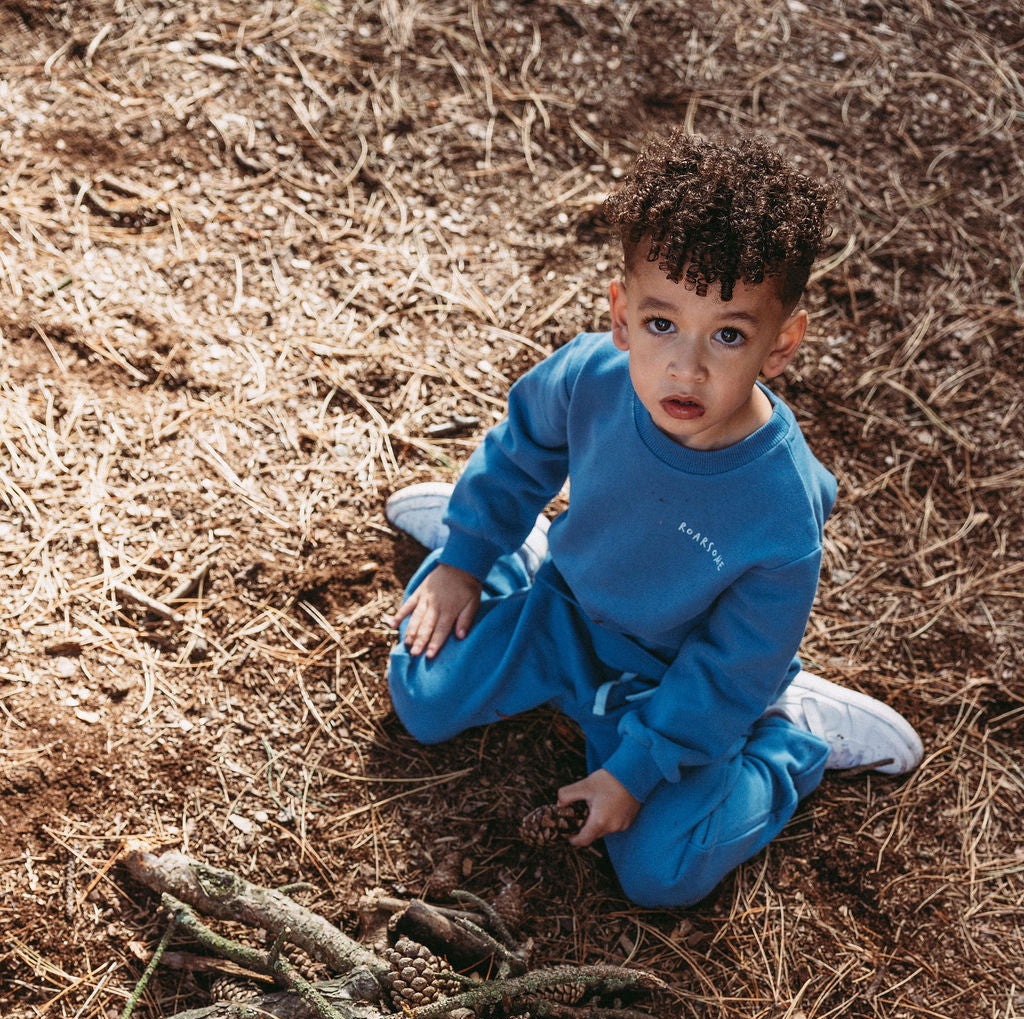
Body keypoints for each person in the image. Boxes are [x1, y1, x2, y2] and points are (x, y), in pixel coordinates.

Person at [384, 134, 923, 907]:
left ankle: (787, 737)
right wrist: (467, 556)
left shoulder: (779, 506)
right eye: (662, 323)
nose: (687, 366)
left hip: (671, 676)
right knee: (423, 696)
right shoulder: (593, 375)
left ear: (782, 344)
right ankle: (504, 557)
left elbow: (736, 659)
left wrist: (635, 770)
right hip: (565, 609)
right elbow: (523, 448)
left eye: (729, 335)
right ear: (622, 314)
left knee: (660, 872)